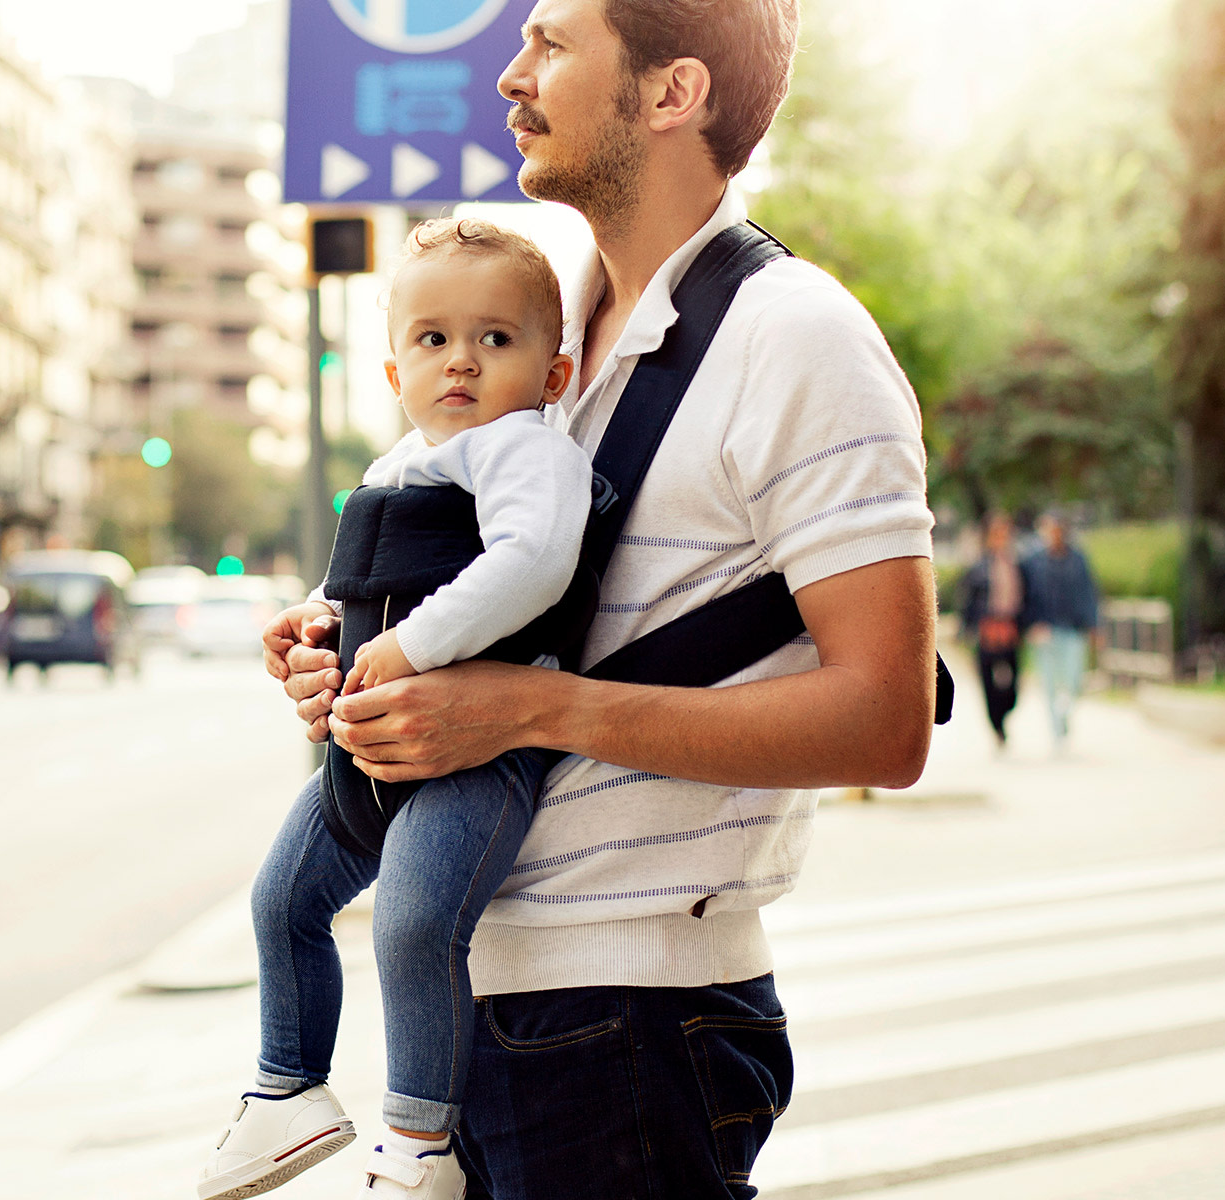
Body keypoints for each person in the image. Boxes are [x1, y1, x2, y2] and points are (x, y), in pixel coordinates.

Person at [262, 1, 939, 1195]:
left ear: (671, 93)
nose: (512, 73)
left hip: (632, 1015)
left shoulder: (798, 337)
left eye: (553, 43)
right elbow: (494, 610)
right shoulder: (543, 344)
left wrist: (529, 710)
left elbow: (885, 721)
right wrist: (346, 650)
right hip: (487, 1008)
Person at [199, 220, 590, 1200]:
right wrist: (316, 623)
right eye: (433, 339)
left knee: (414, 923)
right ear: (392, 372)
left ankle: (420, 1144)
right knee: (282, 900)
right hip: (363, 759)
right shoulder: (398, 466)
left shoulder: (521, 453)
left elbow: (532, 561)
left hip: (474, 760)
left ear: (554, 374)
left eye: (497, 340)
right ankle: (287, 1088)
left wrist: (406, 650)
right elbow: (375, 584)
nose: (461, 360)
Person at [1023, 514, 1099, 748]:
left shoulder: (1078, 559)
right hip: (1045, 631)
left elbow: (1089, 592)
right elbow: (1026, 598)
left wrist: (1095, 625)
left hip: (1073, 629)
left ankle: (1065, 715)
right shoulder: (1033, 562)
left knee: (1075, 680)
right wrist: (1032, 624)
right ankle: (1056, 729)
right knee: (1049, 683)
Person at [960, 514, 1027, 747]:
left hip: (1010, 627)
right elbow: (968, 600)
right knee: (988, 681)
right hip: (987, 628)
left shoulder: (1018, 564)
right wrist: (966, 630)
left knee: (1013, 682)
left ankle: (1006, 711)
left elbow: (1029, 597)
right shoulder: (978, 566)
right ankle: (996, 725)